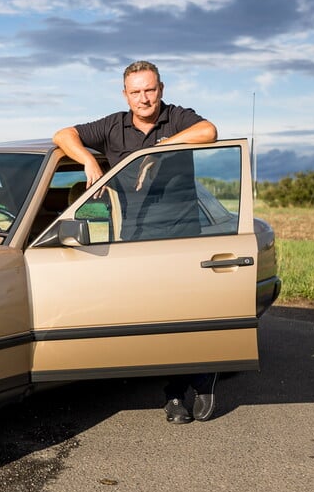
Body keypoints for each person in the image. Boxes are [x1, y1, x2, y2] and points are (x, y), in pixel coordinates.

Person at [52, 60, 219, 424]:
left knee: (185, 315)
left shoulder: (176, 118)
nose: (144, 98)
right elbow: (62, 134)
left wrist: (158, 151)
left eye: (150, 89)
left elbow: (210, 131)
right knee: (155, 316)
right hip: (134, 237)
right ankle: (178, 390)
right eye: (136, 91)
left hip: (181, 235)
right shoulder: (113, 126)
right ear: (125, 94)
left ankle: (199, 379)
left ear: (161, 89)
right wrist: (87, 161)